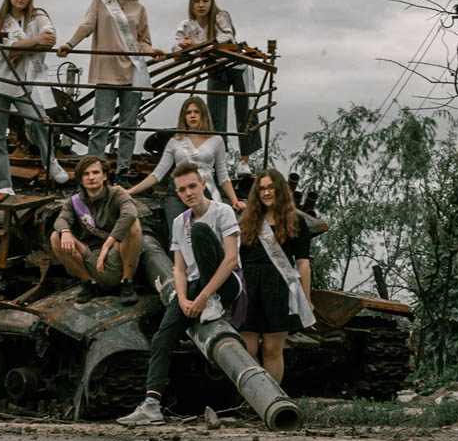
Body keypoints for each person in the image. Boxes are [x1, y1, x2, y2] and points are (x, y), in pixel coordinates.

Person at [118, 163, 242, 425]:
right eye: (182, 189)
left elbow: (231, 259)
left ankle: (213, 304)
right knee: (163, 337)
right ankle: (151, 405)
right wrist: (183, 299)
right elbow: (180, 268)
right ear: (177, 193)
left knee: (200, 232)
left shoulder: (223, 211)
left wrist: (205, 298)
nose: (188, 193)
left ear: (203, 185)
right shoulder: (179, 222)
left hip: (225, 283)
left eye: (192, 186)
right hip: (195, 286)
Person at [57, 0, 164, 183]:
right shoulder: (100, 1)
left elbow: (142, 40)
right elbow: (87, 25)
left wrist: (151, 51)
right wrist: (70, 44)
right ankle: (94, 172)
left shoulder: (139, 8)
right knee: (101, 125)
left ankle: (122, 171)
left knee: (128, 126)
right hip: (106, 72)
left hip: (132, 73)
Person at [0, 0, 68, 195]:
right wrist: (33, 42)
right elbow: (6, 49)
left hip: (25, 85)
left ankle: (50, 161)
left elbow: (50, 38)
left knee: (40, 121)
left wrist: (19, 49)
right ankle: (3, 184)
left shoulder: (38, 16)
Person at [174, 0, 262, 174]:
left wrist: (197, 44)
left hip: (235, 67)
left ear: (212, 2)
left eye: (205, 0)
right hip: (215, 69)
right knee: (214, 115)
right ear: (191, 4)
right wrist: (184, 45)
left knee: (244, 111)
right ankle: (218, 161)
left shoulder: (220, 17)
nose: (201, 5)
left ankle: (244, 162)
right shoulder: (188, 24)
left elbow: (226, 39)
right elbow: (176, 45)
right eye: (196, 1)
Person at [239, 168, 314, 384]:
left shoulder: (296, 221)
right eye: (261, 189)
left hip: (280, 287)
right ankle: (252, 399)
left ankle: (271, 401)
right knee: (247, 349)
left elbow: (303, 262)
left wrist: (306, 299)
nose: (266, 192)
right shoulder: (246, 221)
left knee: (272, 349)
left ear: (280, 189)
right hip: (249, 288)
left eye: (271, 187)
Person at [127, 94, 244, 226]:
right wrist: (129, 191)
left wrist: (235, 200)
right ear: (184, 117)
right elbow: (157, 174)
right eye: (188, 113)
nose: (192, 115)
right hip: (178, 192)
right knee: (178, 231)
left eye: (196, 112)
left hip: (205, 190)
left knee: (206, 232)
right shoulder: (175, 141)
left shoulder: (216, 140)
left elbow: (223, 176)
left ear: (203, 115)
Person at [50, 155, 143, 304]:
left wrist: (107, 246)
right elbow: (61, 220)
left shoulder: (117, 194)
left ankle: (127, 282)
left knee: (133, 224)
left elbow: (130, 213)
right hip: (91, 255)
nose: (91, 177)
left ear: (104, 176)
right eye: (86, 174)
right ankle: (89, 283)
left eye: (95, 172)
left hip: (117, 252)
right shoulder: (74, 201)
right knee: (56, 236)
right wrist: (65, 232)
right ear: (80, 180)